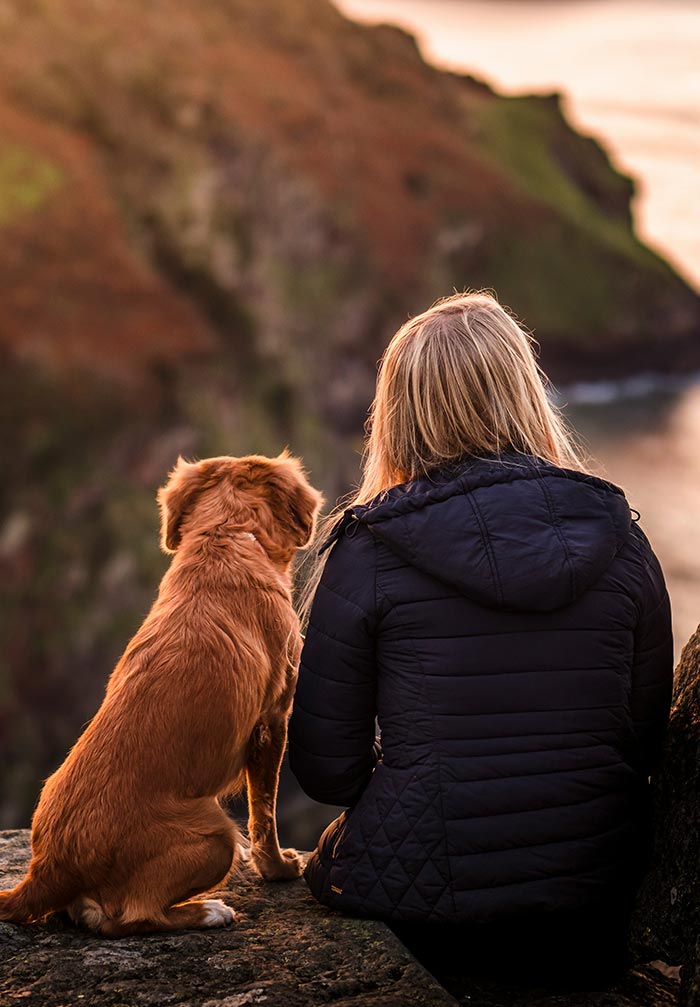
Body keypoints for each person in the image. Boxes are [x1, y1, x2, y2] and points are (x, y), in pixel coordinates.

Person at [288, 291, 673, 986]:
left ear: (399, 413)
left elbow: (326, 771)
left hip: (435, 928)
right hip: (593, 907)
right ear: (526, 392)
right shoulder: (622, 539)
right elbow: (642, 742)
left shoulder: (369, 550)